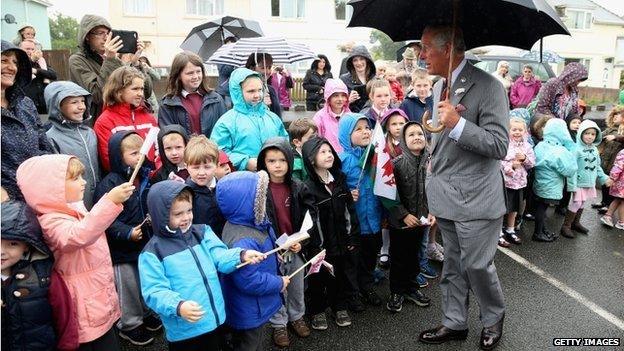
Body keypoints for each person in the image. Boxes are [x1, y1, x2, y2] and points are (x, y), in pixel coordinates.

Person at [417, 26, 509, 350]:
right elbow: (440, 137)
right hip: (444, 195)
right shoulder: (440, 84)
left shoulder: (489, 87)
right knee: (453, 265)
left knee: (476, 265)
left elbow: (499, 145)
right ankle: (455, 322)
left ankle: (493, 317)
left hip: (476, 198)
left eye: (427, 47)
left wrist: (460, 125)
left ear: (449, 48)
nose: (420, 54)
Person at [16, 154, 135, 350]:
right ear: (50, 188)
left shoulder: (73, 207)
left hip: (96, 295)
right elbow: (77, 236)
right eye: (75, 178)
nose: (84, 182)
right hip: (83, 303)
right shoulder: (50, 220)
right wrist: (110, 203)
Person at [139, 180, 265, 351]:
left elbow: (219, 255)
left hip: (215, 318)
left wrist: (241, 255)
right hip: (185, 328)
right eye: (178, 214)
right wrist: (178, 306)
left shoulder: (202, 232)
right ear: (160, 214)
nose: (186, 217)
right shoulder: (152, 252)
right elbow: (154, 291)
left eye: (189, 210)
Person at [93, 131, 158, 345]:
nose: (139, 157)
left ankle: (147, 313)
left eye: (141, 152)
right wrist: (127, 232)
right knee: (128, 287)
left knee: (146, 280)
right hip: (122, 249)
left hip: (145, 244)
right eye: (132, 153)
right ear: (118, 156)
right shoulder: (109, 184)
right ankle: (130, 324)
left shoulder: (146, 176)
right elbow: (105, 219)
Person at [217, 170, 288, 351]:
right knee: (250, 344)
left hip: (250, 306)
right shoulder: (243, 240)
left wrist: (276, 252)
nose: (265, 198)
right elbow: (248, 280)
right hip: (249, 308)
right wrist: (278, 282)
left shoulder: (247, 221)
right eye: (260, 195)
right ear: (246, 203)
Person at [1, 199, 78, 351]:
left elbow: (65, 317)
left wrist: (68, 346)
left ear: (27, 246)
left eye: (13, 243)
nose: (1, 251)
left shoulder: (43, 276)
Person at [257, 138, 312, 348]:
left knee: (296, 286)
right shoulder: (259, 189)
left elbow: (310, 215)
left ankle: (297, 316)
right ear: (264, 163)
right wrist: (271, 247)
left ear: (290, 161)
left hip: (295, 247)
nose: (277, 165)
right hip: (273, 249)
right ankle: (279, 324)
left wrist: (302, 242)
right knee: (277, 287)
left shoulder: (298, 186)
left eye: (282, 160)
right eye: (271, 161)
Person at [302, 136, 360, 330]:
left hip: (342, 241)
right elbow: (310, 221)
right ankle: (317, 310)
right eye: (322, 152)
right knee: (317, 279)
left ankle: (339, 306)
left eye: (329, 151)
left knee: (340, 275)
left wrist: (352, 236)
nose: (328, 155)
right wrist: (316, 247)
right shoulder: (307, 187)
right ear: (311, 159)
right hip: (320, 246)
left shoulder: (340, 180)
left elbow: (349, 211)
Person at [382, 121, 433, 313]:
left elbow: (435, 188)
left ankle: (411, 288)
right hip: (401, 223)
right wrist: (403, 215)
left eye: (419, 133)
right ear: (403, 140)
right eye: (411, 135)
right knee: (399, 258)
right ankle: (397, 290)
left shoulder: (431, 162)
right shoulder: (397, 164)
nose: (416, 137)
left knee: (415, 256)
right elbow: (386, 193)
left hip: (421, 220)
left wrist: (432, 211)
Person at [338, 113, 383, 309]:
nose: (365, 131)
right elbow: (335, 189)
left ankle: (367, 285)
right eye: (358, 129)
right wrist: (346, 194)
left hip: (373, 218)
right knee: (352, 259)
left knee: (370, 254)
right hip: (353, 221)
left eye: (367, 128)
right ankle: (352, 292)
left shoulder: (376, 155)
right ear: (347, 135)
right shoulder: (341, 160)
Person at [1, 40, 54, 201]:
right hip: (7, 209)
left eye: (15, 62)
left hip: (37, 197)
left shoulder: (25, 104)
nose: (12, 67)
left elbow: (44, 146)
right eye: (4, 60)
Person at [70, 15, 149, 122]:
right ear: (87, 36)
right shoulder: (77, 60)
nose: (106, 37)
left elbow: (146, 93)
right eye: (100, 33)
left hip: (121, 121)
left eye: (108, 33)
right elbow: (97, 95)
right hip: (97, 123)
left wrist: (135, 63)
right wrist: (110, 59)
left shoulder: (115, 61)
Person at [211, 67, 288, 171]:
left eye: (260, 90)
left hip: (273, 176)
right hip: (242, 179)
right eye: (251, 91)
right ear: (238, 92)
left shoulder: (272, 118)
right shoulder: (227, 121)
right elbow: (218, 151)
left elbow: (284, 142)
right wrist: (244, 162)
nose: (257, 95)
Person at [44, 81, 100, 209]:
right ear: (57, 106)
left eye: (82, 101)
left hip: (97, 199)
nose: (82, 107)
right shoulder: (51, 137)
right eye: (74, 102)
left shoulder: (90, 133)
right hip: (73, 203)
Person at [94, 66, 158, 172]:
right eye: (135, 89)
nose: (140, 94)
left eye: (142, 89)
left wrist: (153, 174)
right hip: (125, 184)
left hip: (153, 181)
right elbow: (109, 160)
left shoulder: (149, 118)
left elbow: (159, 150)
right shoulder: (105, 122)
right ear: (118, 91)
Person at [561, 120, 612, 237]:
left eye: (593, 134)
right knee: (576, 202)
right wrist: (572, 185)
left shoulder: (594, 149)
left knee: (583, 202)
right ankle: (566, 226)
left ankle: (576, 223)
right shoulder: (576, 149)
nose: (590, 136)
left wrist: (604, 178)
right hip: (578, 181)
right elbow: (572, 168)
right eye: (587, 133)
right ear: (581, 134)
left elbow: (597, 166)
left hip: (588, 182)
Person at [159, 52, 226, 138]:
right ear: (178, 75)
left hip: (211, 150)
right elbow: (168, 138)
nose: (195, 76)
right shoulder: (167, 104)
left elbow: (224, 132)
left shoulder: (216, 99)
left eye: (198, 71)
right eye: (190, 73)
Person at [532, 118, 578, 242]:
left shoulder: (541, 144)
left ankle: (542, 230)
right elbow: (569, 170)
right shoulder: (560, 150)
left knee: (540, 207)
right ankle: (538, 233)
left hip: (539, 183)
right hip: (551, 185)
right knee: (543, 209)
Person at [500, 117, 535, 247]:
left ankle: (510, 229)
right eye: (514, 129)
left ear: (525, 131)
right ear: (508, 130)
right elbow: (500, 162)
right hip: (506, 182)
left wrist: (525, 158)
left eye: (520, 130)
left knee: (514, 208)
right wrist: (511, 167)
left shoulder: (527, 146)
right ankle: (498, 232)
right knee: (502, 208)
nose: (517, 132)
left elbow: (532, 163)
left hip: (519, 183)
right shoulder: (505, 144)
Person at [184, 135, 226, 238]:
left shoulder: (224, 188)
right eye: (196, 167)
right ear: (186, 167)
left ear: (217, 165)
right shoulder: (185, 195)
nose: (201, 173)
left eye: (207, 167)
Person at [594, 105, 624, 213]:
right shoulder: (610, 130)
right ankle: (603, 202)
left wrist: (616, 137)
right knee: (604, 182)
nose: (615, 117)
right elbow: (598, 136)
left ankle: (608, 205)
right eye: (614, 115)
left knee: (612, 184)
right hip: (605, 160)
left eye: (618, 115)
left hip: (616, 164)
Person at [19, 38, 57, 113]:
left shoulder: (40, 62)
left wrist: (36, 71)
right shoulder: (17, 62)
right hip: (27, 103)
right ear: (20, 50)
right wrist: (32, 61)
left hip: (43, 102)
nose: (30, 51)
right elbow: (22, 73)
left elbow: (53, 75)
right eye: (27, 49)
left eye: (32, 49)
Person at [313, 78, 351, 153]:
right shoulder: (319, 117)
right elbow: (316, 141)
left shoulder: (350, 116)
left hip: (348, 157)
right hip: (329, 158)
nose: (340, 99)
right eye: (336, 96)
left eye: (343, 95)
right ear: (328, 98)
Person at [340, 45, 376, 113]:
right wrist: (348, 101)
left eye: (361, 59)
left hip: (372, 116)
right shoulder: (344, 80)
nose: (359, 63)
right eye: (355, 60)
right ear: (352, 63)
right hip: (352, 117)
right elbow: (336, 104)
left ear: (367, 60)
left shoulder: (375, 79)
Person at [245, 52, 282, 118]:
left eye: (269, 67)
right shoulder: (243, 91)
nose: (267, 71)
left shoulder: (270, 90)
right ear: (252, 68)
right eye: (263, 68)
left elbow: (278, 117)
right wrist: (261, 105)